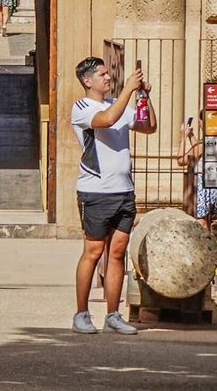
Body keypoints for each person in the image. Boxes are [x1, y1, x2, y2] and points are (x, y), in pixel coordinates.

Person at [70, 55, 156, 335]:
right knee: (93, 252)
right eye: (102, 74)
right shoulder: (83, 107)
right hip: (96, 191)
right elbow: (106, 121)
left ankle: (113, 314)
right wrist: (128, 90)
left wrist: (143, 97)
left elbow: (148, 126)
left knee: (116, 253)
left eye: (109, 74)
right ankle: (81, 314)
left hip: (124, 191)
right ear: (87, 80)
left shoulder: (115, 104)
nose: (108, 78)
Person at [175, 117, 217, 228]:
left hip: (203, 186)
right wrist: (191, 136)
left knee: (201, 221)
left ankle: (204, 244)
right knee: (209, 220)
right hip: (214, 184)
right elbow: (199, 152)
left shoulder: (203, 144)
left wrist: (183, 137)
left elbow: (181, 160)